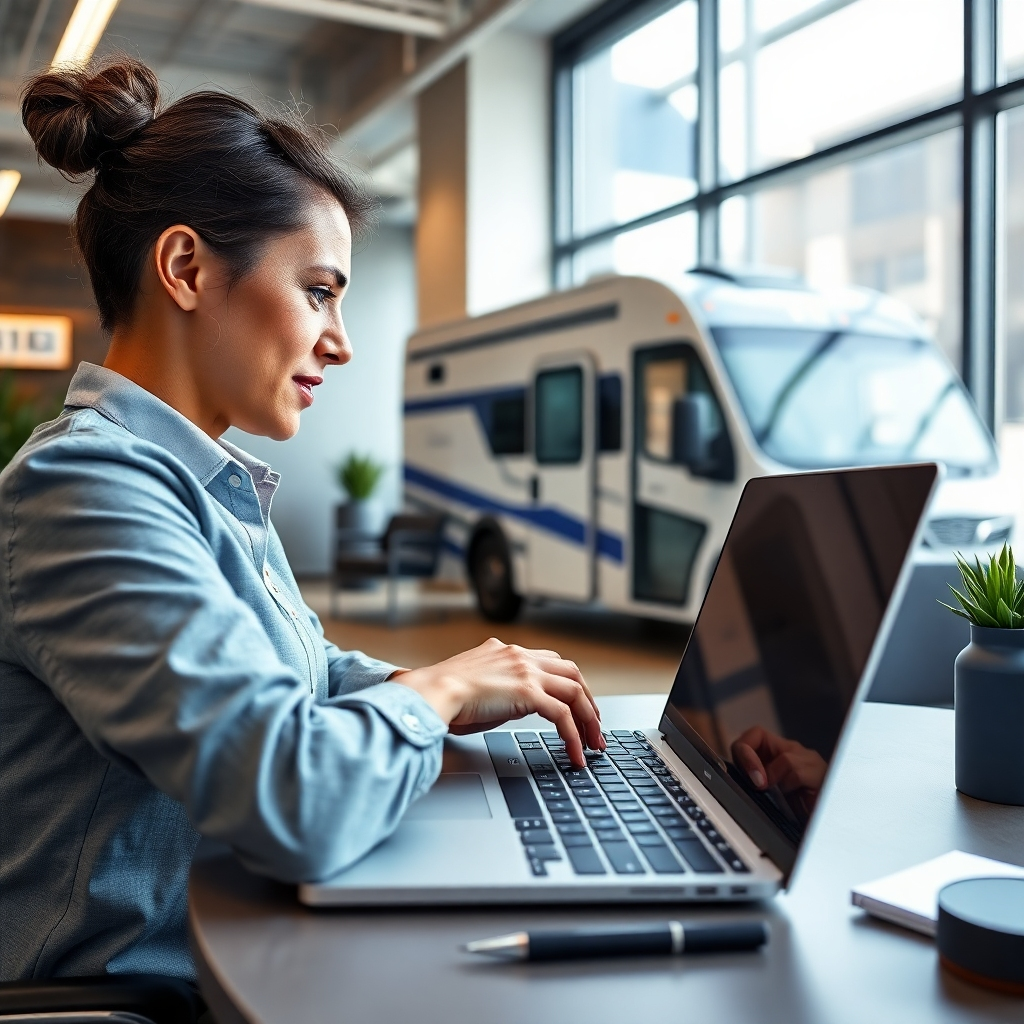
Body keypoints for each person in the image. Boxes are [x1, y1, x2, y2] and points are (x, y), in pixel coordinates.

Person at [0, 55, 604, 984]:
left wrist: (423, 678)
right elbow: (293, 798)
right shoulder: (83, 489)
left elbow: (299, 666)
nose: (342, 339)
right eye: (318, 290)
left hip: (235, 941)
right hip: (143, 993)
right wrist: (432, 700)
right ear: (186, 267)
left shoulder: (197, 477)